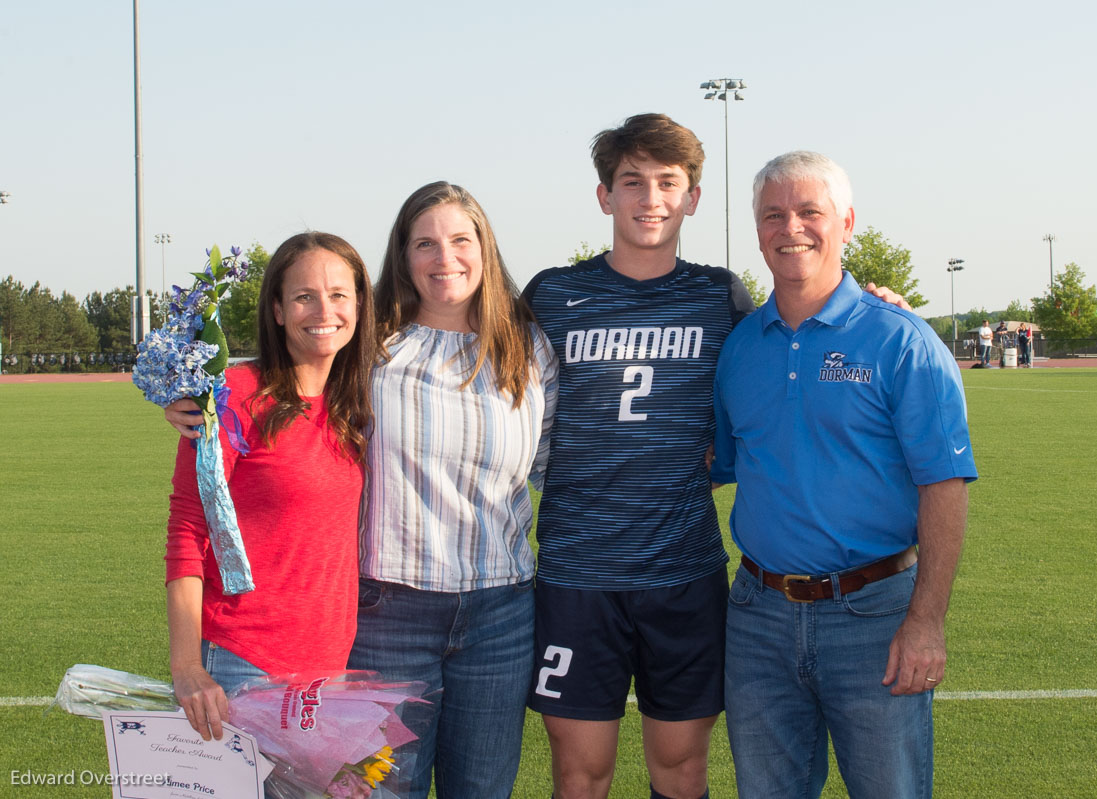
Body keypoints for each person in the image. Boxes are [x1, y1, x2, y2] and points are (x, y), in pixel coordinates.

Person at [523, 115, 909, 799]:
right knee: (579, 774)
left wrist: (876, 304)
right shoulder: (553, 294)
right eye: (632, 182)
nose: (650, 199)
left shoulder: (719, 295)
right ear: (603, 196)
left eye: (668, 183)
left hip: (683, 574)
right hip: (577, 576)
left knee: (682, 770)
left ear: (693, 197)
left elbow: (792, 328)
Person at [712, 151, 978, 799]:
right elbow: (715, 465)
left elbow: (943, 486)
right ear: (757, 230)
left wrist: (926, 620)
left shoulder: (903, 340)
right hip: (758, 616)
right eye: (774, 214)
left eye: (810, 212)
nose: (791, 227)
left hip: (875, 616)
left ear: (847, 222)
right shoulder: (741, 345)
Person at [346, 181, 558, 799]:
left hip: (501, 615)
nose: (446, 258)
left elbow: (554, 463)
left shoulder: (526, 346)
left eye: (461, 240)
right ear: (402, 256)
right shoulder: (366, 347)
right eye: (426, 244)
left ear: (485, 249)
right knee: (379, 791)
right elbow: (281, 387)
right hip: (386, 612)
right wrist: (194, 398)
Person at [165, 232, 377, 743]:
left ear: (359, 304)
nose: (324, 309)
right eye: (304, 296)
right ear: (278, 310)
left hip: (329, 669)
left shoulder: (357, 402)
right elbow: (188, 531)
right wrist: (188, 667)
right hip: (243, 666)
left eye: (339, 294)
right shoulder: (234, 396)